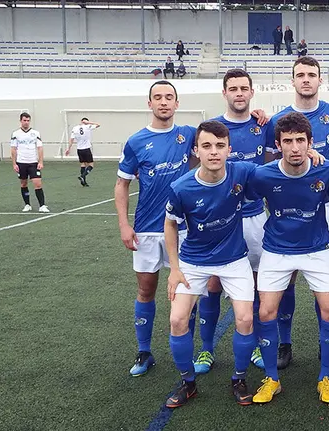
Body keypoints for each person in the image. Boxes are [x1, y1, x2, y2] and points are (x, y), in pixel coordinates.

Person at [247, 112, 329, 404]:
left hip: (317, 249)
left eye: (300, 140)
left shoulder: (326, 170)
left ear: (310, 143)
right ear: (277, 144)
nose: (294, 147)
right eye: (287, 141)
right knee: (265, 312)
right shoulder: (263, 174)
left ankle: (325, 377)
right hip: (277, 249)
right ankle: (272, 379)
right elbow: (242, 194)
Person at [162, 120, 258, 408]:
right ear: (196, 151)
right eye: (206, 146)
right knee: (177, 320)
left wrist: (313, 156)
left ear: (229, 149)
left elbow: (280, 172)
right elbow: (170, 224)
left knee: (245, 318)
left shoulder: (243, 172)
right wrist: (175, 269)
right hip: (194, 260)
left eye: (219, 146)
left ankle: (239, 378)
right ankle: (187, 383)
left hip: (234, 258)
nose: (213, 152)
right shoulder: (181, 187)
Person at [265, 57, 329, 370]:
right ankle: (285, 343)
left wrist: (325, 167)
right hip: (286, 210)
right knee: (287, 281)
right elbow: (268, 166)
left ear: (320, 80)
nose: (306, 80)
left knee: (323, 283)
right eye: (301, 75)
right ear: (293, 81)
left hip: (322, 206)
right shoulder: (278, 119)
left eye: (312, 75)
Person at [115, 81, 198, 377]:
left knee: (188, 290)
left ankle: (187, 345)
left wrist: (259, 115)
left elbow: (223, 132)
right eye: (158, 97)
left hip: (183, 228)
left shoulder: (189, 135)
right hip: (147, 229)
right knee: (146, 289)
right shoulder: (136, 141)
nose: (164, 102)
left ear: (177, 103)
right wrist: (125, 225)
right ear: (149, 103)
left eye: (169, 97)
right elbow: (122, 184)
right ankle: (144, 351)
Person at [197, 69, 275, 375]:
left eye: (244, 88)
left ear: (252, 92)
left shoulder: (264, 127)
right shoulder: (213, 128)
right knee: (213, 283)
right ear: (224, 93)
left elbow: (271, 166)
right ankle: (206, 349)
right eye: (233, 88)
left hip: (254, 216)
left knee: (255, 284)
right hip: (219, 219)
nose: (239, 93)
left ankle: (254, 343)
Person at [11, 112, 49, 213]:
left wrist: (40, 161)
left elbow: (40, 148)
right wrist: (14, 163)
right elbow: (13, 149)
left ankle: (42, 205)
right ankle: (27, 204)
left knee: (38, 183)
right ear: (20, 121)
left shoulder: (36, 133)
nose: (26, 122)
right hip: (21, 162)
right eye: (24, 120)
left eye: (28, 120)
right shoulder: (15, 134)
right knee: (23, 184)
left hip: (33, 162)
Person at [65, 117, 101, 187]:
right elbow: (98, 124)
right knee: (91, 165)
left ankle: (83, 182)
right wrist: (89, 122)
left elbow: (71, 139)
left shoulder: (75, 128)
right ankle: (82, 176)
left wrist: (68, 149)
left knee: (83, 164)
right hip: (86, 149)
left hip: (79, 149)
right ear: (84, 122)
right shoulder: (87, 126)